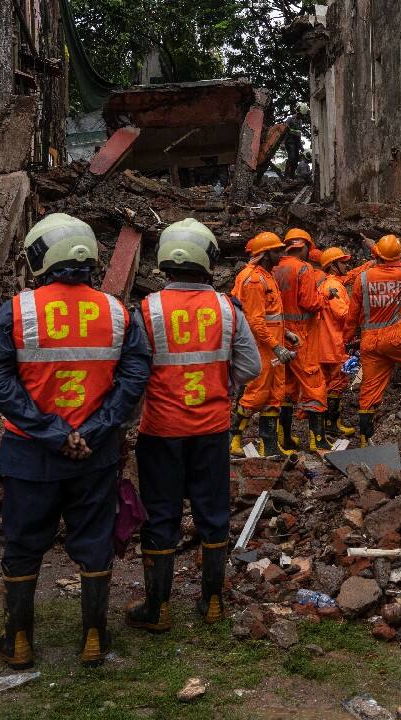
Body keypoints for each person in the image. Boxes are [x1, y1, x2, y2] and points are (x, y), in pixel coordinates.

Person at [0, 213, 151, 669]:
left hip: (30, 454)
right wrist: (95, 429)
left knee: (22, 545)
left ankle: (18, 641)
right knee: (94, 541)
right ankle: (94, 637)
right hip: (93, 454)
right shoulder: (117, 313)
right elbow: (134, 377)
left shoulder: (18, 310)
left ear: (42, 256)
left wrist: (51, 432)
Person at [125, 219, 261, 634]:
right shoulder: (227, 308)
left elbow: (132, 374)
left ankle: (158, 608)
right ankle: (213, 600)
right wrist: (222, 383)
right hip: (213, 429)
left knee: (161, 515)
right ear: (208, 259)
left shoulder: (145, 311)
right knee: (212, 512)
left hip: (161, 431)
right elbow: (251, 367)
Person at [349, 234, 401, 445]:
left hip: (370, 342)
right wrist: (377, 250)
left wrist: (347, 337)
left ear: (377, 255)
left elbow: (352, 315)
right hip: (395, 338)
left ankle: (364, 438)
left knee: (369, 389)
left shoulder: (362, 278)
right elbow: (399, 263)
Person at [230, 232, 296, 456]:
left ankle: (268, 446)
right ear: (266, 254)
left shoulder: (266, 276)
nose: (281, 255)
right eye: (277, 251)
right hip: (261, 347)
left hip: (272, 345)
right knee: (256, 393)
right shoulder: (254, 280)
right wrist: (276, 345)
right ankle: (233, 440)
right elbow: (255, 320)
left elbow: (270, 315)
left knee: (274, 394)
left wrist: (285, 334)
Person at [273, 229, 329, 450]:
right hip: (299, 336)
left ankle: (283, 438)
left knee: (286, 386)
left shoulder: (274, 267)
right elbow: (310, 303)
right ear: (304, 246)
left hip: (278, 334)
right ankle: (318, 440)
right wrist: (323, 298)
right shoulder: (303, 268)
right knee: (314, 383)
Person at [316, 247, 356, 437]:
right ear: (332, 266)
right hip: (334, 343)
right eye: (342, 262)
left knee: (324, 384)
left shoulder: (324, 284)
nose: (346, 265)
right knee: (338, 382)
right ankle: (332, 423)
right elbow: (344, 314)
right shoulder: (334, 286)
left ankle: (324, 425)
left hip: (323, 344)